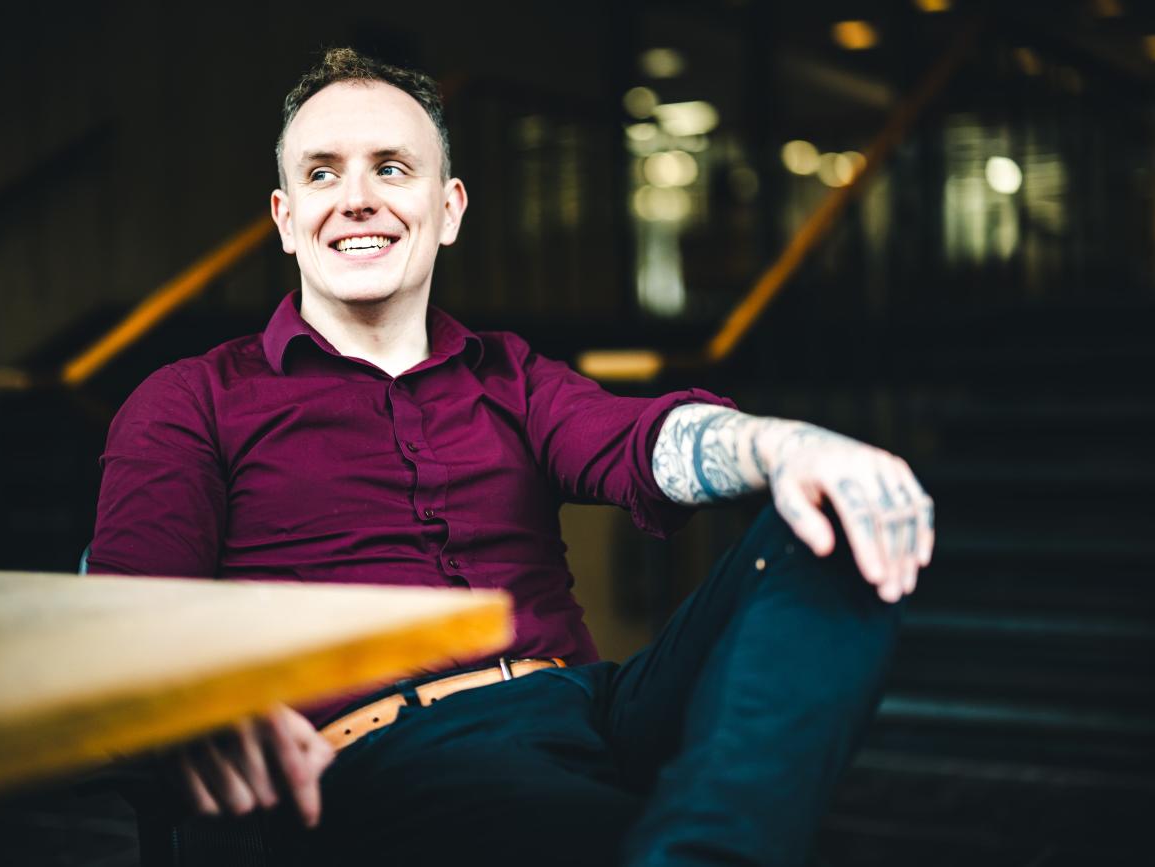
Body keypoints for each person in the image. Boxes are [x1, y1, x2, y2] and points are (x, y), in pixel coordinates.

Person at [89, 47, 934, 866]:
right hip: (388, 749)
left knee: (838, 522)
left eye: (391, 167)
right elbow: (119, 633)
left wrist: (786, 446)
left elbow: (640, 444)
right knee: (584, 831)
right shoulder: (190, 399)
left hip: (596, 710)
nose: (355, 198)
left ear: (450, 208)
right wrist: (194, 709)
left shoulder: (511, 374)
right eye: (321, 172)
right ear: (284, 218)